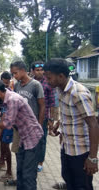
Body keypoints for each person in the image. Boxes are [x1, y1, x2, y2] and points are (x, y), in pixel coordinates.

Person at [44, 58, 99, 190]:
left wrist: (92, 158)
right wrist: (59, 124)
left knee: (82, 185)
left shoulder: (78, 93)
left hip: (81, 151)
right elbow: (70, 112)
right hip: (67, 146)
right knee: (68, 179)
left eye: (49, 77)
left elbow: (93, 125)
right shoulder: (60, 88)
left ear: (61, 76)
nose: (46, 81)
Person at [31, 61, 56, 172]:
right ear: (32, 71)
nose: (40, 72)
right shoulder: (29, 83)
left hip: (44, 117)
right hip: (30, 117)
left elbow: (51, 103)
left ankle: (40, 162)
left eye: (42, 70)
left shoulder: (48, 83)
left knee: (42, 140)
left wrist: (51, 119)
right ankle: (32, 160)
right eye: (37, 70)